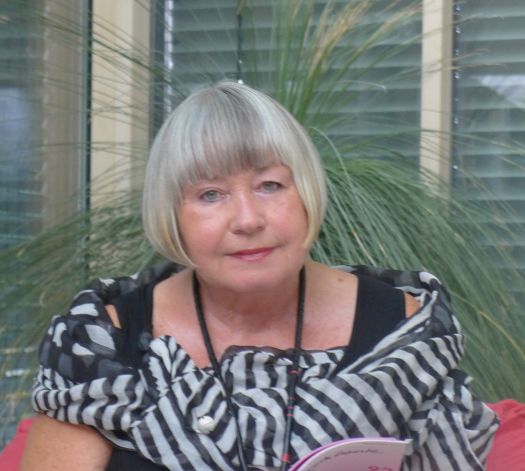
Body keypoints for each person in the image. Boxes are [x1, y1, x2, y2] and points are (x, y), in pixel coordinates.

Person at [21, 81, 498, 470]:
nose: (247, 220)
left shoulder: (402, 327)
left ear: (307, 192)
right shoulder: (103, 339)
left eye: (270, 185)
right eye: (210, 195)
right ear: (171, 214)